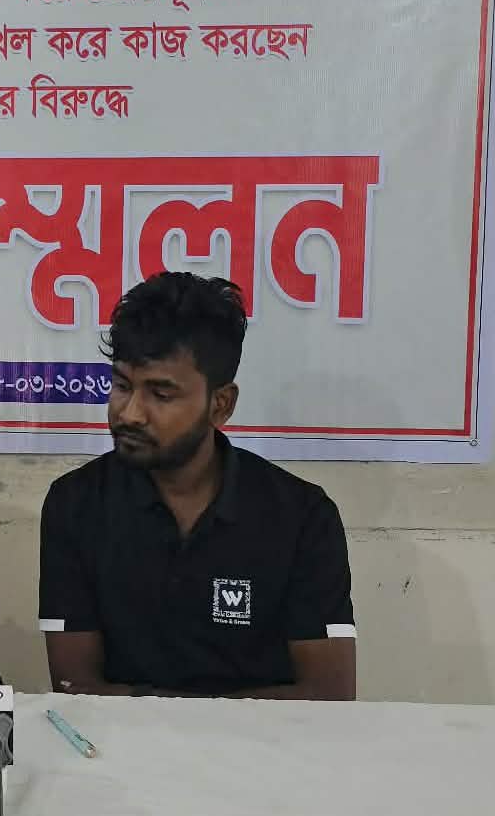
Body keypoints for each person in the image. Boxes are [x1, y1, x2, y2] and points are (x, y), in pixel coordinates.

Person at [38, 272, 356, 699]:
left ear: (220, 405)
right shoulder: (75, 504)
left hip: (265, 742)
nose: (130, 413)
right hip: (117, 741)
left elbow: (329, 694)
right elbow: (75, 689)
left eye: (161, 394)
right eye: (122, 385)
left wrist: (191, 723)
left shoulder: (302, 516)